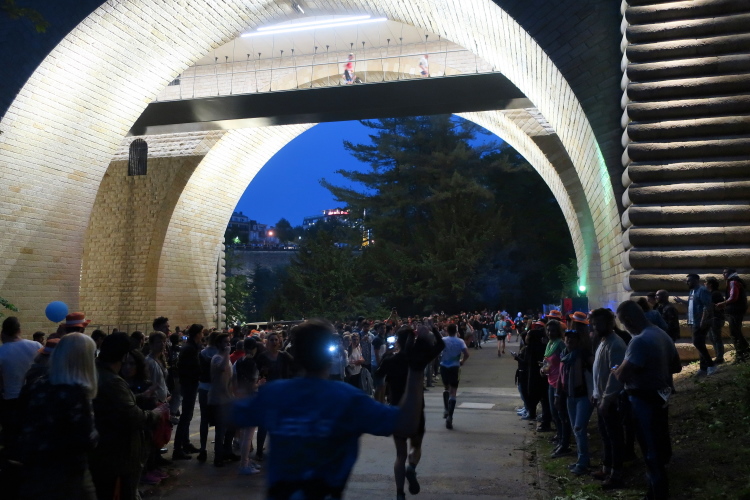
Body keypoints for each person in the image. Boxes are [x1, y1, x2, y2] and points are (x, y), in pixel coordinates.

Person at [233, 319, 434, 500]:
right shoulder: (349, 399)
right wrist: (416, 370)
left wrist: (237, 386)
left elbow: (230, 413)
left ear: (296, 354)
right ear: (329, 354)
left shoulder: (274, 393)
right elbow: (406, 424)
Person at [18, 333, 99, 500]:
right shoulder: (76, 392)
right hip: (67, 476)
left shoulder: (38, 384)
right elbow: (87, 439)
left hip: (34, 471)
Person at [614, 300, 681, 500]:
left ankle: (657, 493)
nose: (624, 327)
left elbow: (622, 375)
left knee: (650, 449)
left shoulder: (639, 341)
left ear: (628, 320)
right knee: (658, 446)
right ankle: (656, 490)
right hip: (660, 396)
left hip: (643, 399)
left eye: (622, 322)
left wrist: (615, 370)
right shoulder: (662, 334)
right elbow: (677, 367)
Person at [89, 333, 166, 500]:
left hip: (104, 451)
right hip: (118, 454)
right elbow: (133, 417)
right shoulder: (112, 381)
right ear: (123, 356)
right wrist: (156, 413)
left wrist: (140, 397)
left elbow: (116, 404)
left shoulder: (96, 372)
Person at [376, 325, 444, 500]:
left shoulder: (390, 359)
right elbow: (440, 346)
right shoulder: (418, 360)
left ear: (398, 341)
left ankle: (400, 493)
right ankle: (412, 467)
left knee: (400, 454)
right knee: (417, 446)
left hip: (396, 409)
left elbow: (378, 375)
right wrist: (434, 329)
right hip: (416, 410)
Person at [589, 308, 626, 490]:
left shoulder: (616, 344)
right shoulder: (603, 341)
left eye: (599, 324)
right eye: (594, 324)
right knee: (605, 435)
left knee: (614, 438)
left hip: (611, 401)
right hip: (601, 398)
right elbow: (599, 372)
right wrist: (595, 393)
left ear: (610, 323)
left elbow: (615, 376)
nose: (595, 327)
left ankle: (616, 475)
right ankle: (606, 468)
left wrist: (606, 399)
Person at [0, 316, 43, 461]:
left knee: (12, 438)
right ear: (19, 330)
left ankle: (13, 464)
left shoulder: (2, 352)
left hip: (11, 400)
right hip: (34, 398)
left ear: (3, 333)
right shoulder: (36, 345)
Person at [558, 327, 594, 476]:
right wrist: (558, 394)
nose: (569, 340)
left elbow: (594, 372)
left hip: (584, 396)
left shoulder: (584, 355)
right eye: (567, 338)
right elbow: (561, 376)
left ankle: (583, 462)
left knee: (579, 428)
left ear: (578, 340)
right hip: (570, 397)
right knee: (576, 429)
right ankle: (582, 460)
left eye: (572, 338)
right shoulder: (564, 354)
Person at [675, 274, 716, 376]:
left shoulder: (702, 290)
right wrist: (681, 301)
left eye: (689, 281)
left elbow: (707, 306)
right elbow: (691, 304)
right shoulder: (692, 291)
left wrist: (703, 321)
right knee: (700, 343)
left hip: (700, 322)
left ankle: (711, 365)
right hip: (693, 322)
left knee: (697, 343)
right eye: (687, 281)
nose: (687, 283)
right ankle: (703, 368)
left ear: (696, 280)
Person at [173, 324, 204, 460]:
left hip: (189, 383)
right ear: (197, 334)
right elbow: (191, 367)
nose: (202, 335)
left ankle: (185, 444)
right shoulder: (190, 349)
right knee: (186, 416)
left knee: (187, 415)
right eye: (201, 333)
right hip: (189, 384)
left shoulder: (190, 347)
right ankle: (178, 448)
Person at [544, 320, 572, 459]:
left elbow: (564, 364)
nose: (550, 333)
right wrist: (543, 368)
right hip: (551, 380)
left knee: (561, 414)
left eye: (553, 330)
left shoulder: (560, 344)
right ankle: (560, 437)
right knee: (554, 413)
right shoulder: (550, 343)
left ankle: (565, 443)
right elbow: (547, 360)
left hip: (559, 383)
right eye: (548, 330)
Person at [440, 323, 470, 429]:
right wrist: (462, 361)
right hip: (454, 367)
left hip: (444, 366)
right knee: (453, 391)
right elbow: (466, 354)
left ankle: (446, 408)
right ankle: (450, 416)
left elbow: (438, 351)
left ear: (447, 331)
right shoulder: (460, 341)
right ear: (456, 331)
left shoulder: (443, 340)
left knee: (446, 388)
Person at [716, 268, 749, 363]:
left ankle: (740, 355)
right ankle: (746, 351)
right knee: (737, 331)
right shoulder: (735, 281)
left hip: (735, 310)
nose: (723, 274)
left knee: (734, 333)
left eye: (725, 272)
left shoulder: (733, 282)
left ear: (730, 273)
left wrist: (723, 303)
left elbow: (733, 297)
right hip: (738, 310)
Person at [705, 277, 726, 364]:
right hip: (712, 318)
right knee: (712, 337)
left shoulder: (715, 294)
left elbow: (717, 306)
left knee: (717, 338)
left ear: (710, 284)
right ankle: (718, 356)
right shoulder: (712, 293)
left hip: (716, 318)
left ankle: (720, 357)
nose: (704, 284)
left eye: (706, 282)